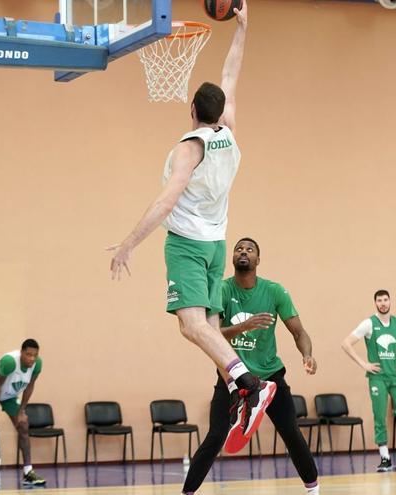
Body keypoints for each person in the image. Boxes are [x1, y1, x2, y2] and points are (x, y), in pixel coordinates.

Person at [107, 0, 274, 454]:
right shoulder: (229, 131)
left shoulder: (190, 146)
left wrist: (128, 243)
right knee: (211, 327)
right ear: (218, 110)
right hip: (218, 243)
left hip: (186, 244)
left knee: (189, 325)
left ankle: (250, 383)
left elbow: (166, 200)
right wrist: (242, 29)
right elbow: (231, 75)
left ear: (191, 111)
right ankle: (242, 393)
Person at [182, 238, 320, 495]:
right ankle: (187, 492)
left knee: (291, 432)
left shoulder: (275, 291)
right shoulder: (221, 290)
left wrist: (307, 355)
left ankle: (313, 490)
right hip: (232, 377)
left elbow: (299, 332)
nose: (243, 252)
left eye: (249, 249)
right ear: (233, 258)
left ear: (258, 260)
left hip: (269, 377)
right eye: (238, 248)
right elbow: (211, 334)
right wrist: (244, 326)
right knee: (215, 437)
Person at [341, 290, 396, 472]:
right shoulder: (369, 324)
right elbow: (346, 343)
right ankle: (385, 457)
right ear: (375, 303)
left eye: (385, 300)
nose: (383, 303)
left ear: (390, 301)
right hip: (377, 377)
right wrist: (364, 364)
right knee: (379, 415)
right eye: (379, 300)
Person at [0, 339, 44, 488]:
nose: (32, 359)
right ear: (21, 353)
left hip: (9, 394)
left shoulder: (37, 365)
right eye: (28, 355)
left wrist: (21, 412)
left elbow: (29, 387)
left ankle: (28, 472)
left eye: (35, 355)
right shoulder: (10, 362)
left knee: (23, 425)